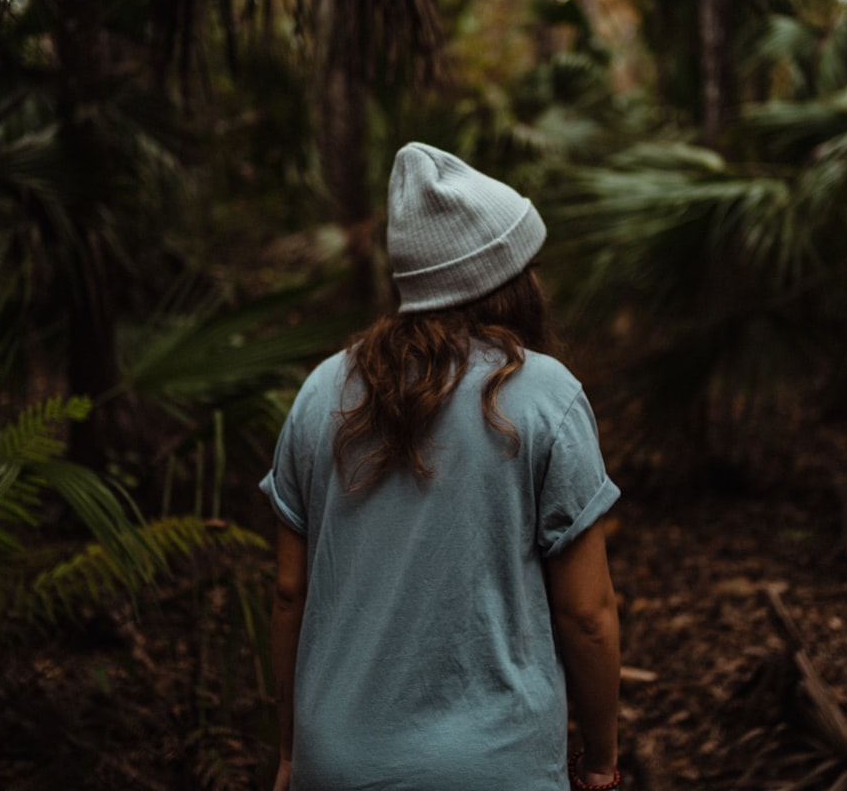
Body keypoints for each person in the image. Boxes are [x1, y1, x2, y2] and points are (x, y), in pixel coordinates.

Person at [261, 142, 622, 791]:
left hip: (338, 763)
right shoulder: (547, 397)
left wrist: (291, 752)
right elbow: (587, 613)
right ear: (508, 281)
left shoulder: (321, 393)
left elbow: (290, 592)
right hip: (497, 765)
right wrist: (600, 759)